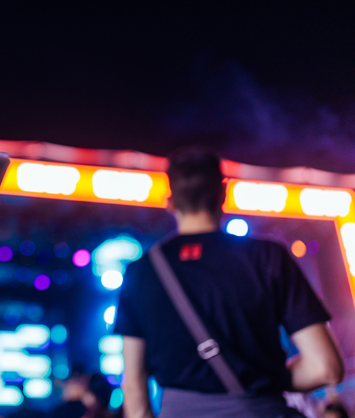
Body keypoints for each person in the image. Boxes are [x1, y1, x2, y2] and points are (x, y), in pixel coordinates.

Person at [114, 147, 344, 417]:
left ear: (170, 202)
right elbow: (325, 367)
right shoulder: (267, 257)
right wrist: (261, 379)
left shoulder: (141, 273)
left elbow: (134, 388)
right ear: (223, 194)